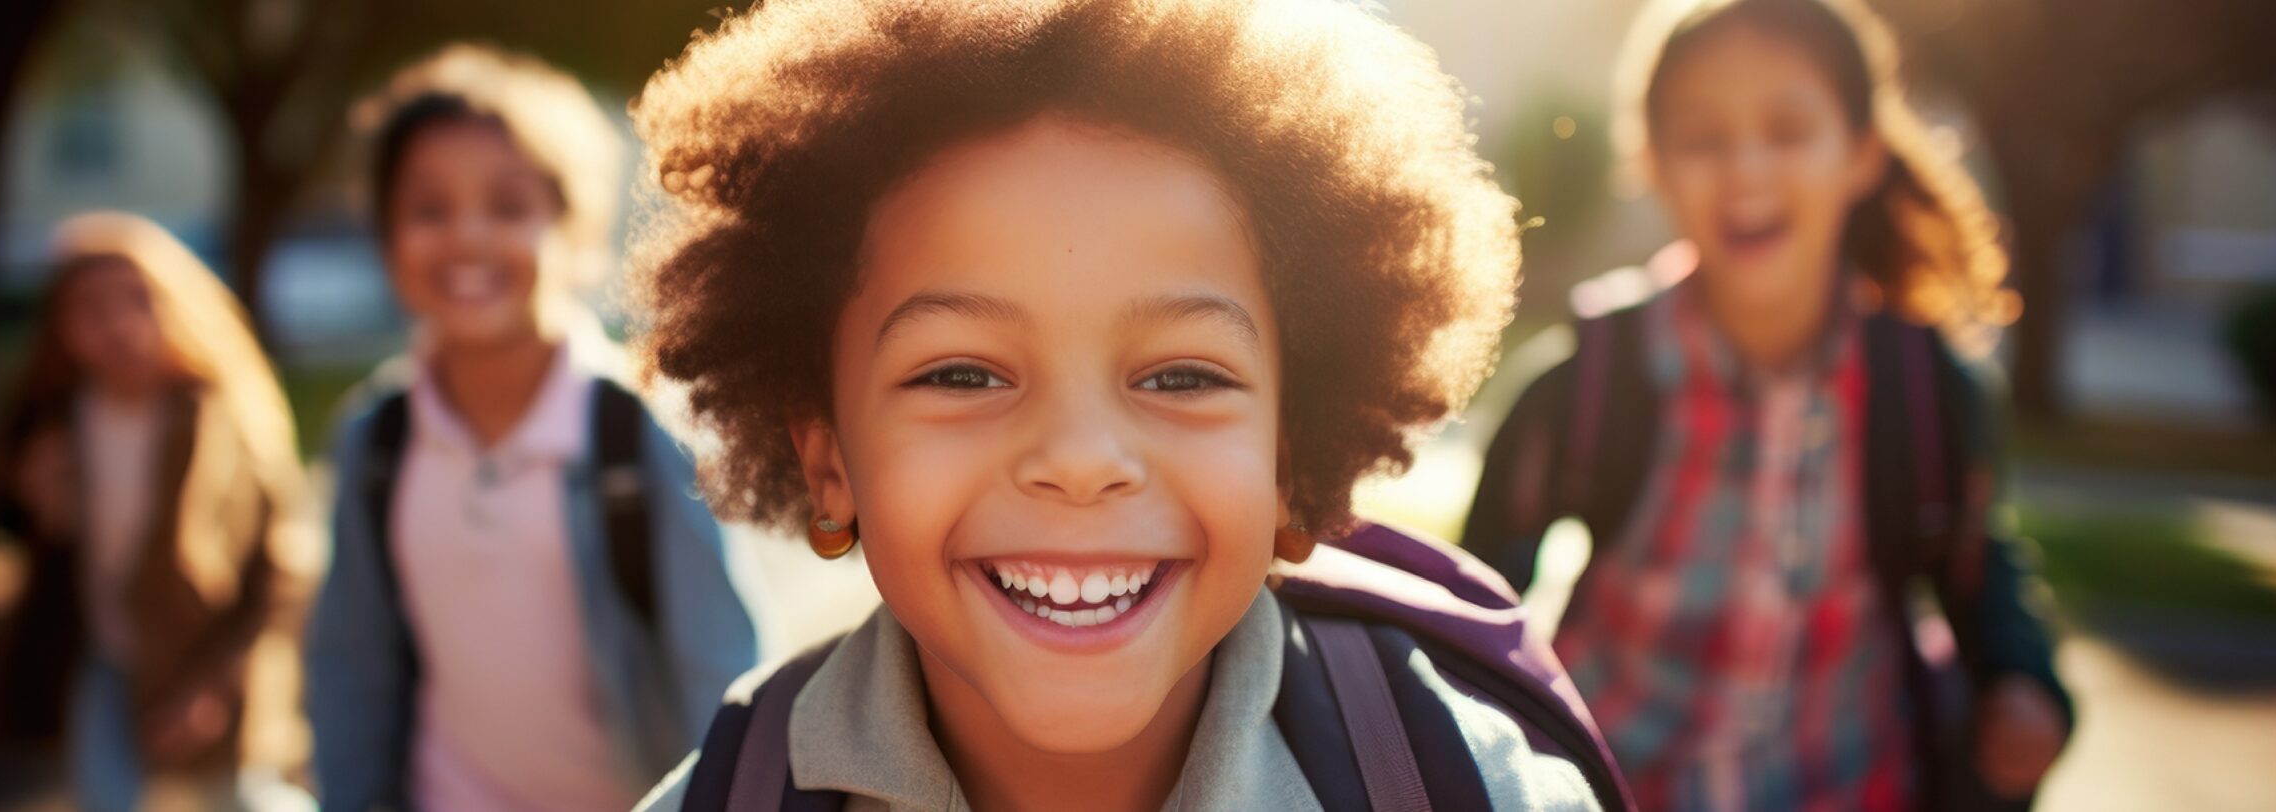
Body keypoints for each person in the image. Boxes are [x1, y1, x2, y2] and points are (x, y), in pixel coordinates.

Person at [623, 1, 1628, 809]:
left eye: (1181, 376)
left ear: (1290, 457)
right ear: (828, 461)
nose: (1080, 455)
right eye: (963, 374)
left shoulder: (1473, 787)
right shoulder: (726, 793)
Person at [1457, 0, 2071, 808]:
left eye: (1787, 131)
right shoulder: (1586, 384)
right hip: (1610, 789)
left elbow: (1976, 565)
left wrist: (2024, 681)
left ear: (1861, 155)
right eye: (1704, 138)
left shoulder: (1928, 393)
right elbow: (1467, 613)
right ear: (1655, 163)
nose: (1745, 167)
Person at [305, 44, 762, 812]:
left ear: (573, 229)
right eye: (428, 209)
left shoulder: (639, 431)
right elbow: (353, 668)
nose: (468, 237)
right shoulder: (376, 440)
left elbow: (719, 673)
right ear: (386, 237)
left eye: (509, 206)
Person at [0, 211, 314, 811]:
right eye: (89, 307)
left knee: (233, 798)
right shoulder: (56, 421)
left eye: (137, 301)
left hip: (200, 652)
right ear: (60, 326)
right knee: (107, 797)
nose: (116, 325)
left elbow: (283, 562)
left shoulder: (218, 416)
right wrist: (35, 503)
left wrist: (216, 679)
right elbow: (14, 524)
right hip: (104, 654)